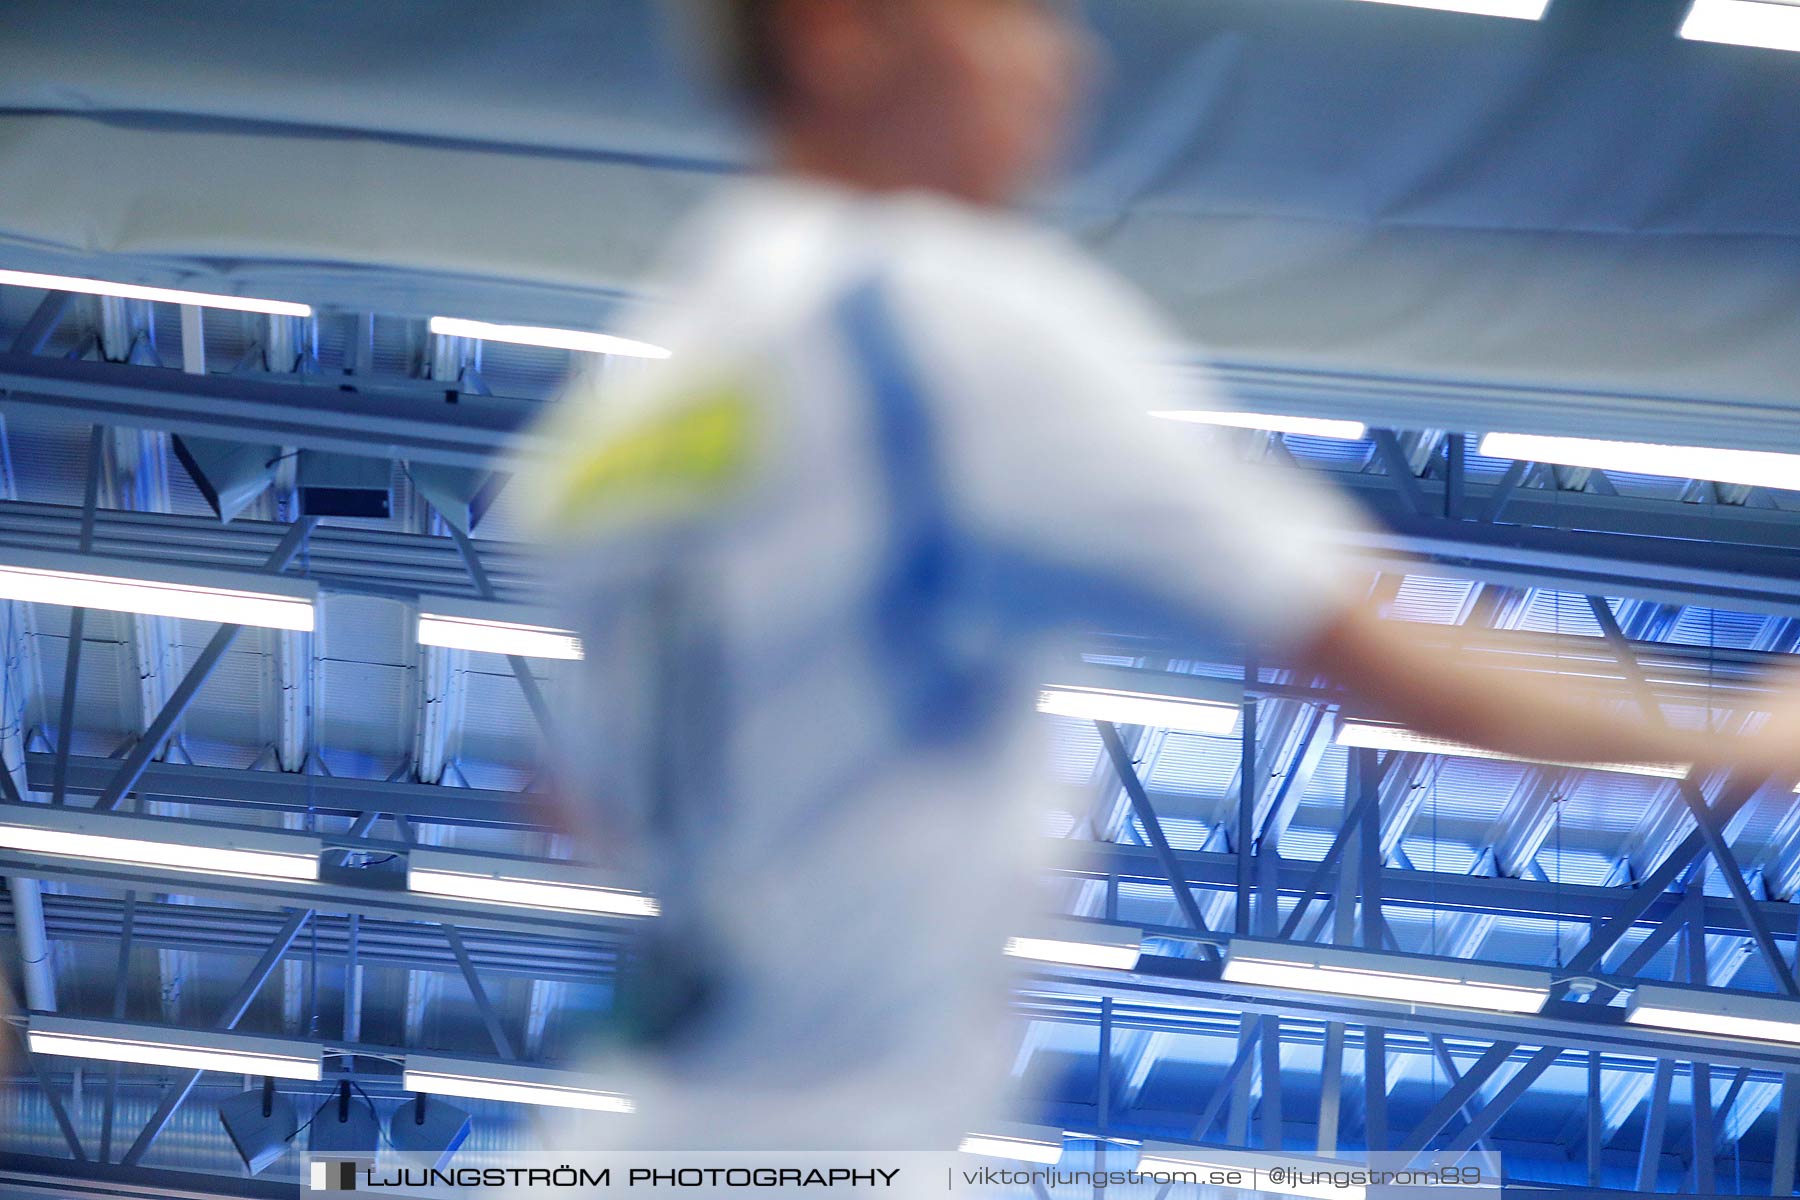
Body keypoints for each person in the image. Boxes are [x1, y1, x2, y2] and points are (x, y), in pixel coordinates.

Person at [520, 0, 1799, 1160]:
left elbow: (595, 800)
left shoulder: (634, 399)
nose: (1068, 59)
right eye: (1004, 16)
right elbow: (1400, 659)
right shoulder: (944, 316)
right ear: (838, 34)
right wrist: (1734, 729)